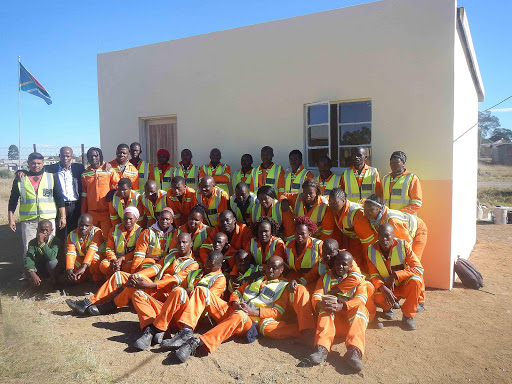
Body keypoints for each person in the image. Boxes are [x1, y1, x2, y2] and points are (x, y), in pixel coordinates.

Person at [173, 256, 315, 363]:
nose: (271, 270)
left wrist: (254, 312)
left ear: (282, 270)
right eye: (269, 266)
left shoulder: (283, 287)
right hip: (233, 310)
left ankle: (198, 343)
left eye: (275, 268)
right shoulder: (256, 279)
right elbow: (237, 292)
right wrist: (234, 302)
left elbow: (277, 312)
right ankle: (186, 331)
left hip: (247, 322)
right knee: (201, 291)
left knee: (240, 315)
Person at [65, 232, 198, 316]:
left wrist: (150, 284)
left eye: (184, 242)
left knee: (135, 285)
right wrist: (137, 276)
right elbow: (156, 268)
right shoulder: (171, 256)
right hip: (153, 287)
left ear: (190, 244)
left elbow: (173, 280)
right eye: (179, 242)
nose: (181, 245)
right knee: (120, 276)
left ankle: (109, 306)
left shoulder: (193, 264)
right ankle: (89, 302)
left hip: (165, 295)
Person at [132, 250, 226, 350]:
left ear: (219, 266)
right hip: (169, 312)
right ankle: (151, 327)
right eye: (207, 262)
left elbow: (204, 303)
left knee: (178, 291)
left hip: (187, 318)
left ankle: (154, 330)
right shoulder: (195, 273)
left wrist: (190, 292)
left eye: (211, 265)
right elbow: (180, 291)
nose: (207, 266)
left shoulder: (220, 279)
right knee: (138, 294)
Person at [308, 251, 369, 371]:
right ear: (333, 263)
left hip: (350, 325)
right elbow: (316, 295)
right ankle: (321, 348)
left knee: (361, 309)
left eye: (344, 264)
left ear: (350, 266)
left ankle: (354, 351)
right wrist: (320, 303)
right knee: (325, 308)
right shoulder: (325, 278)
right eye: (337, 263)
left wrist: (343, 306)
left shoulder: (358, 280)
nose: (340, 267)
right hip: (332, 324)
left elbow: (362, 299)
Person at [8, 152, 65, 278]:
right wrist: (11, 219)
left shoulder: (51, 177)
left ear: (43, 163)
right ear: (28, 164)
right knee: (29, 248)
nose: (36, 166)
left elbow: (59, 198)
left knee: (49, 248)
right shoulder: (20, 179)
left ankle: (48, 273)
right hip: (29, 220)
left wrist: (63, 216)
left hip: (47, 221)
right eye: (33, 163)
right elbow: (13, 200)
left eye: (39, 163)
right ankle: (29, 273)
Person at [367, 224, 424, 331]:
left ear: (393, 236)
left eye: (387, 236)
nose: (383, 239)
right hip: (386, 288)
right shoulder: (370, 250)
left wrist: (396, 276)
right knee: (375, 295)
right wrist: (382, 288)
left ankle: (408, 317)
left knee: (416, 281)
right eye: (380, 236)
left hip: (402, 285)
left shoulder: (403, 245)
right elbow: (373, 274)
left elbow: (418, 268)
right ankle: (387, 309)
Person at [356, 194, 428, 261]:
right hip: (404, 232)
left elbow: (406, 244)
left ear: (380, 208)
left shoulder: (393, 222)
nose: (366, 213)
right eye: (365, 210)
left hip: (419, 231)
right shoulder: (373, 217)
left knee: (412, 261)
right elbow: (362, 202)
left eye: (370, 210)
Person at [44, 146, 84, 239]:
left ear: (72, 156)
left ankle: (74, 253)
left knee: (75, 232)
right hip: (60, 206)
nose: (65, 158)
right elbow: (36, 168)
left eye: (67, 156)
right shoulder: (51, 169)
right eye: (63, 156)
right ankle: (61, 253)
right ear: (59, 156)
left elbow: (94, 167)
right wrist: (22, 171)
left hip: (75, 206)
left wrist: (105, 163)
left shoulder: (78, 168)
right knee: (60, 233)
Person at [81, 147, 119, 237]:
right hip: (92, 213)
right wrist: (83, 213)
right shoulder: (85, 174)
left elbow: (118, 184)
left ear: (100, 156)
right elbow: (84, 195)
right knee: (93, 238)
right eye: (91, 156)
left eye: (95, 156)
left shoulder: (109, 170)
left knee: (107, 237)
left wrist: (113, 190)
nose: (93, 158)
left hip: (106, 212)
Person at [328, 188, 367, 273]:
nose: (332, 205)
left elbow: (368, 242)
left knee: (360, 264)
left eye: (335, 203)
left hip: (363, 241)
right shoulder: (336, 211)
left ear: (343, 200)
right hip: (352, 239)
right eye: (330, 203)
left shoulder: (356, 214)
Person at [99, 207, 144, 276]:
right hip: (115, 258)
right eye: (125, 218)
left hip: (128, 259)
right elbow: (109, 249)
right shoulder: (114, 229)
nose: (127, 221)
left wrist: (123, 259)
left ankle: (123, 280)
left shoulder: (141, 232)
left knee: (128, 267)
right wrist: (113, 260)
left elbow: (137, 251)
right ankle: (111, 278)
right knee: (104, 265)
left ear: (136, 219)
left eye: (130, 219)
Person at [65, 213, 105, 284]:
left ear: (91, 226)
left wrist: (83, 267)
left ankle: (97, 280)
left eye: (86, 226)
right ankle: (83, 277)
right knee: (73, 267)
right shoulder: (71, 235)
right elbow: (71, 253)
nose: (83, 228)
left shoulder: (97, 232)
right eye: (81, 225)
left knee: (93, 259)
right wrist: (69, 269)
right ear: (78, 224)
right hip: (83, 259)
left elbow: (92, 250)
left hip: (97, 259)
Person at [283, 217, 323, 285]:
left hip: (313, 279)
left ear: (309, 233)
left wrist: (302, 281)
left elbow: (321, 268)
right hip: (295, 276)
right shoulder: (288, 245)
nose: (299, 236)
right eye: (297, 233)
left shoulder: (318, 245)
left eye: (302, 233)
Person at [24, 220, 60, 288]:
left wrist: (41, 243)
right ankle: (36, 284)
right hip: (40, 267)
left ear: (51, 230)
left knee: (53, 263)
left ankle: (55, 283)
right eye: (41, 230)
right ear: (37, 230)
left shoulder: (55, 241)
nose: (44, 232)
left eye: (47, 230)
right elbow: (29, 257)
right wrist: (32, 273)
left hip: (51, 268)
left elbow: (51, 256)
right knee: (28, 267)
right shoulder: (32, 242)